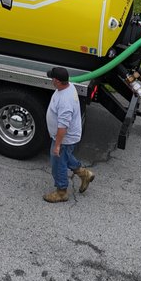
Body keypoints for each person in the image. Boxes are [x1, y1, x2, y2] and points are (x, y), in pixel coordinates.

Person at [44, 66, 94, 202]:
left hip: (65, 138)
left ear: (57, 81)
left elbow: (63, 127)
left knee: (58, 163)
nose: (51, 80)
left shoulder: (65, 101)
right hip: (67, 136)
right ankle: (85, 174)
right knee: (66, 157)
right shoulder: (68, 86)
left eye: (52, 78)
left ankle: (61, 192)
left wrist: (57, 145)